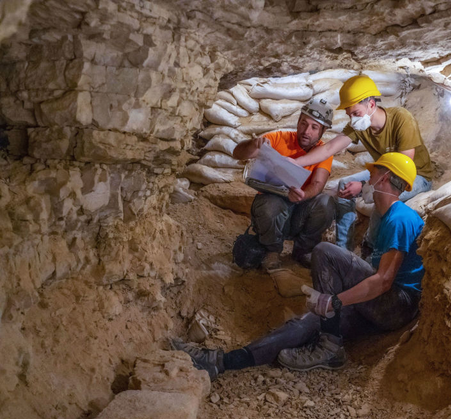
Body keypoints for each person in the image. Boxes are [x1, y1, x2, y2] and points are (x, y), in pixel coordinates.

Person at [172, 153, 425, 378]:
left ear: (386, 178)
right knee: (308, 321)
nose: (370, 176)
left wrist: (335, 300)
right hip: (381, 305)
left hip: (397, 304)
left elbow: (383, 281)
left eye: (375, 172)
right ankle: (222, 361)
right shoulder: (385, 218)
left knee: (325, 251)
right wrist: (331, 304)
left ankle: (328, 343)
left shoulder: (400, 218)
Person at [293, 74, 433, 252]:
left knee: (380, 195)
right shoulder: (359, 125)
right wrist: (296, 162)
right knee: (344, 185)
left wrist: (364, 186)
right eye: (349, 115)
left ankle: (369, 248)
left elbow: (402, 169)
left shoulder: (401, 119)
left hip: (414, 175)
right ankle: (343, 249)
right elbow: (329, 149)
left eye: (356, 113)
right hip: (383, 173)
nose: (352, 119)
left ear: (371, 105)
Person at [233, 98, 336, 270]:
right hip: (272, 209)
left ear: (323, 131)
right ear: (297, 121)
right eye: (303, 123)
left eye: (314, 127)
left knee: (325, 202)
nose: (306, 131)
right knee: (270, 204)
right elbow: (238, 154)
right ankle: (272, 251)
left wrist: (304, 195)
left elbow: (318, 183)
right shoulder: (278, 138)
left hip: (298, 211)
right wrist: (252, 144)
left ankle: (303, 251)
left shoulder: (323, 151)